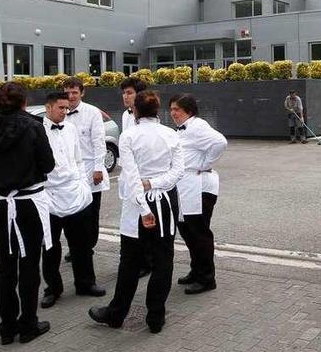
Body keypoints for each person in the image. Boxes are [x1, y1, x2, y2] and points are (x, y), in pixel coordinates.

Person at [88, 91, 184, 334]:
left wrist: (144, 203)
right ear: (157, 110)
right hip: (164, 200)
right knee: (163, 259)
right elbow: (177, 172)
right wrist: (156, 183)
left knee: (130, 261)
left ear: (136, 111)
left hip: (138, 202)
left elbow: (131, 177)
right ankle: (155, 316)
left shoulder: (130, 135)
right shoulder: (170, 134)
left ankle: (117, 313)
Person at [0, 82, 55, 345]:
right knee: (30, 266)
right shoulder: (34, 126)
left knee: (6, 268)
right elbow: (48, 163)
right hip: (28, 204)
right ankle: (28, 324)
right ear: (24, 101)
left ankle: (7, 328)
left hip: (1, 207)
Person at [40, 92, 105, 309]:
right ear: (48, 108)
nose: (65, 112)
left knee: (82, 244)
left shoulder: (70, 129)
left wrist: (81, 184)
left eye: (67, 108)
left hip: (74, 193)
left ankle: (86, 283)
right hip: (50, 195)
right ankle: (53, 288)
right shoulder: (38, 131)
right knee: (51, 247)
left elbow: (78, 159)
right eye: (61, 108)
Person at [169, 94, 227, 295]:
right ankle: (196, 271)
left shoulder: (197, 126)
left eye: (177, 109)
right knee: (188, 231)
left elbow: (220, 142)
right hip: (186, 187)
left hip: (200, 188)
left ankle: (206, 278)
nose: (173, 113)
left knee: (200, 233)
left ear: (189, 111)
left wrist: (206, 164)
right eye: (172, 109)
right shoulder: (183, 129)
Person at [62, 77, 109, 258]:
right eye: (68, 92)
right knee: (71, 212)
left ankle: (87, 247)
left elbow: (99, 142)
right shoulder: (60, 111)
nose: (71, 96)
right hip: (69, 173)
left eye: (75, 92)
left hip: (90, 170)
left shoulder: (92, 112)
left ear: (82, 93)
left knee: (91, 213)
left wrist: (98, 168)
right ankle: (76, 246)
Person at [119, 76, 153, 278]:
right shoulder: (126, 115)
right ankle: (136, 258)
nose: (125, 96)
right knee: (131, 220)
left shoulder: (146, 119)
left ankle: (147, 261)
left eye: (129, 92)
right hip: (128, 175)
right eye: (124, 93)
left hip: (143, 176)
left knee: (144, 218)